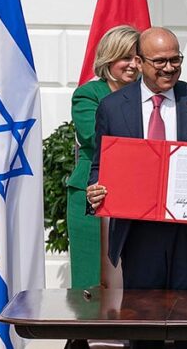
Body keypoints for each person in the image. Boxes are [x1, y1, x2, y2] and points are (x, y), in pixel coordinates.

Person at [87, 27, 187, 349]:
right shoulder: (112, 107)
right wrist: (94, 191)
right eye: (160, 62)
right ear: (139, 62)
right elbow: (100, 167)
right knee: (143, 333)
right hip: (139, 238)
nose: (169, 68)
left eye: (175, 60)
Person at [67, 25, 141, 290]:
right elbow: (93, 138)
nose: (133, 65)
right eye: (125, 57)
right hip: (93, 192)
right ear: (108, 59)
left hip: (139, 193)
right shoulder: (88, 94)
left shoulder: (150, 97)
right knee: (91, 279)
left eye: (138, 58)